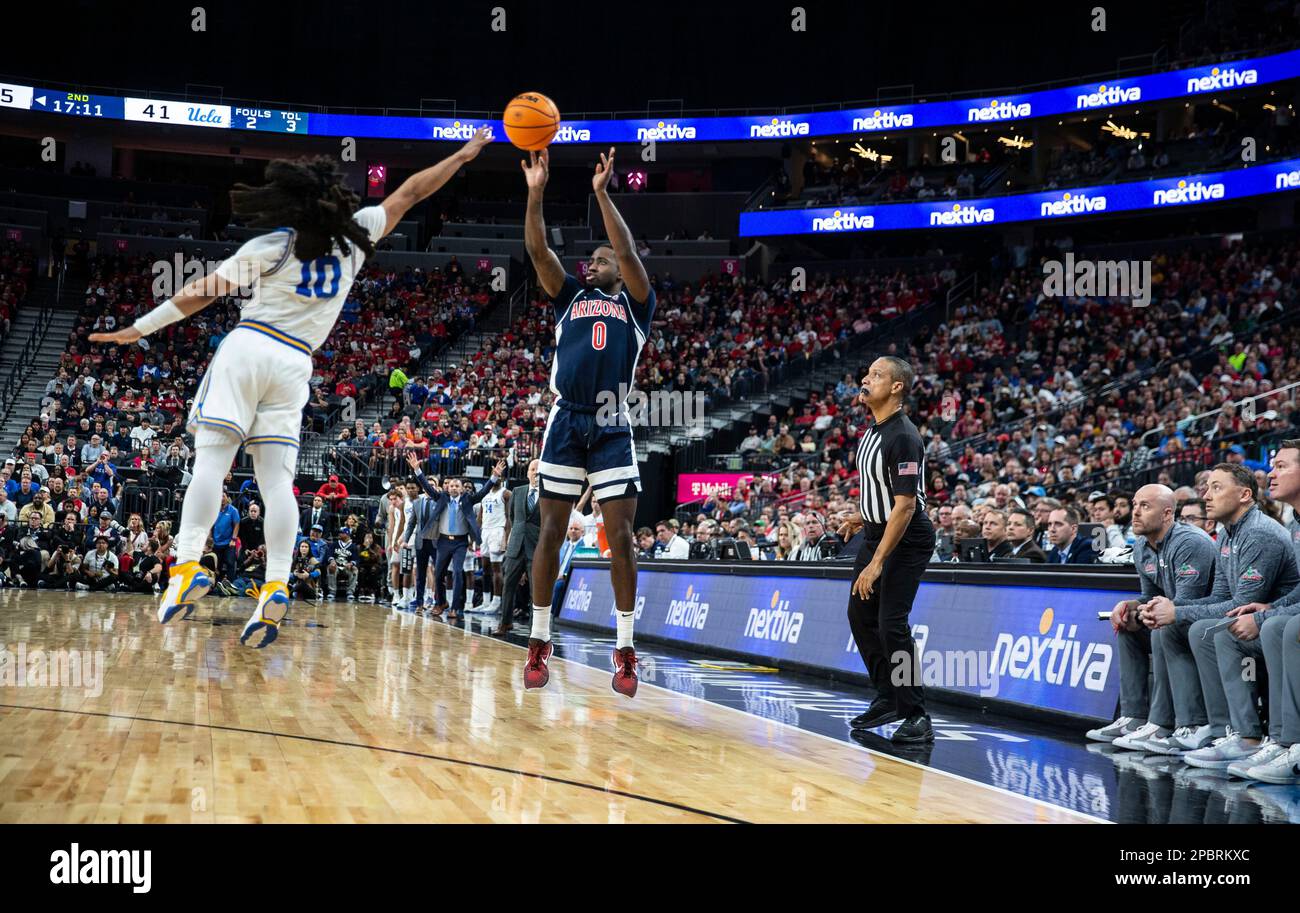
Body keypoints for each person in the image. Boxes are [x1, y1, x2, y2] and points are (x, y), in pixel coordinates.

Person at [89, 126, 492, 648]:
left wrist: (138, 328)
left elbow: (199, 292)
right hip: (296, 364)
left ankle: (186, 565)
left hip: (250, 346)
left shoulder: (275, 244)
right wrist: (462, 155)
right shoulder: (357, 235)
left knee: (211, 464)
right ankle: (277, 582)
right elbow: (412, 191)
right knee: (277, 483)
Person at [520, 146, 655, 697]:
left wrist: (602, 194)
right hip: (566, 418)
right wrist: (535, 193)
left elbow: (623, 248)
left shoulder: (637, 303)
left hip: (611, 420)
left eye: (598, 262)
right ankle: (538, 640)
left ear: (617, 270)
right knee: (550, 531)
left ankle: (624, 649)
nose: (589, 267)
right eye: (589, 264)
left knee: (619, 536)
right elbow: (536, 250)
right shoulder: (569, 296)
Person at [1139, 464, 1300, 771]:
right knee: (1193, 628)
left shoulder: (1260, 533)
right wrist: (1172, 611)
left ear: (1244, 495)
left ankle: (1256, 736)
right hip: (1267, 618)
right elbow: (1221, 598)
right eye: (1206, 487)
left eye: (1216, 488)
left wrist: (1178, 611)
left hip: (1273, 624)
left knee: (1214, 632)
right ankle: (1218, 730)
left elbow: (1241, 602)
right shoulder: (1227, 535)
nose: (1206, 495)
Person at [837, 357, 935, 744]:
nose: (866, 378)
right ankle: (888, 696)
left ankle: (917, 715)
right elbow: (885, 494)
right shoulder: (872, 431)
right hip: (879, 530)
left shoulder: (904, 436)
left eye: (876, 375)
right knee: (859, 614)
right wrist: (862, 517)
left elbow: (907, 506)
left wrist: (877, 562)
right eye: (867, 372)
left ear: (897, 387)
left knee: (891, 622)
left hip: (907, 538)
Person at [1087, 484, 1217, 753]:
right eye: (1134, 505)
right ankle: (1133, 717)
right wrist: (1130, 606)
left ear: (1168, 513)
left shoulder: (1190, 542)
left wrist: (1148, 611)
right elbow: (1152, 596)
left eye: (1145, 506)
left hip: (1204, 621)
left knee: (1161, 627)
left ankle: (1165, 723)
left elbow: (1184, 603)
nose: (1135, 512)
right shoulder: (1141, 547)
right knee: (1127, 625)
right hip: (1174, 617)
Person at [494, 460, 541, 636]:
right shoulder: (517, 492)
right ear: (527, 473)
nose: (536, 473)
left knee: (535, 590)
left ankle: (535, 629)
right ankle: (505, 623)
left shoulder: (548, 495)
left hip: (536, 548)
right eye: (533, 469)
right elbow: (512, 518)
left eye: (539, 470)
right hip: (515, 547)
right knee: (508, 586)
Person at [477, 472, 509, 614]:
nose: (497, 477)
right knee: (485, 568)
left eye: (500, 475)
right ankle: (485, 601)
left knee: (497, 568)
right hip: (485, 531)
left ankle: (497, 601)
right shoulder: (484, 493)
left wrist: (506, 538)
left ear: (503, 478)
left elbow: (509, 518)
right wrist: (476, 536)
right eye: (494, 475)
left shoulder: (506, 493)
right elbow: (480, 517)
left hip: (498, 530)